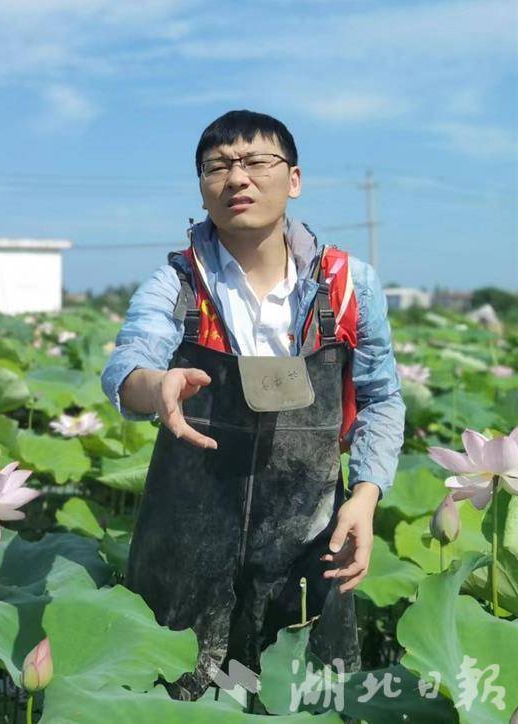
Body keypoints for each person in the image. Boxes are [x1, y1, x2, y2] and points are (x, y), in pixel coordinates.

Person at [100, 110, 404, 701]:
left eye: (256, 162)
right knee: (178, 697)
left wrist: (365, 496)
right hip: (185, 538)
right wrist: (153, 385)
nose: (237, 178)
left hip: (310, 534)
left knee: (305, 700)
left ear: (293, 179)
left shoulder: (347, 286)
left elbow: (381, 398)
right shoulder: (177, 285)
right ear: (202, 188)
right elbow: (127, 366)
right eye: (218, 166)